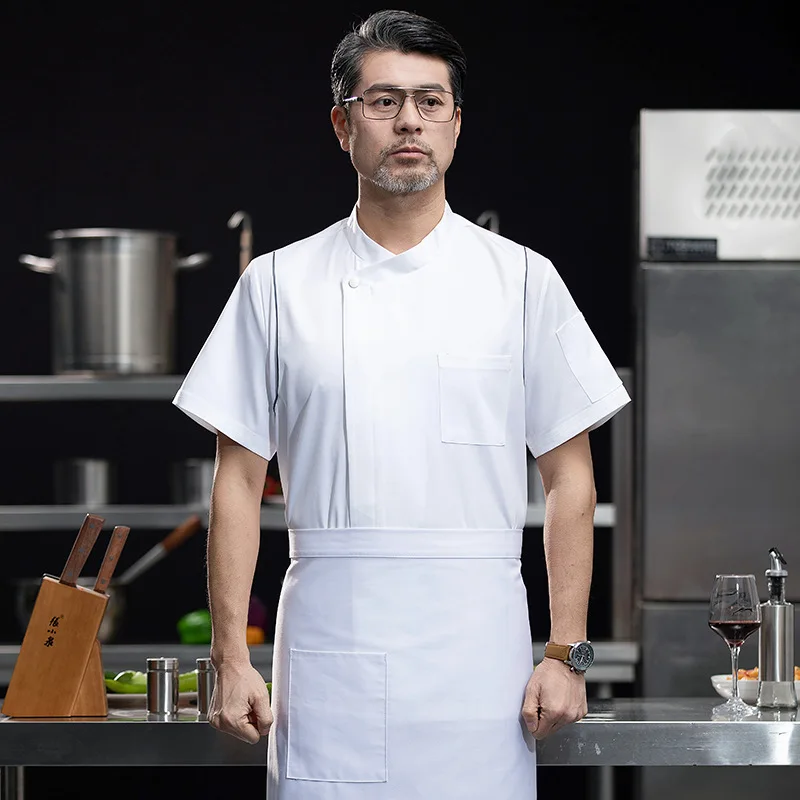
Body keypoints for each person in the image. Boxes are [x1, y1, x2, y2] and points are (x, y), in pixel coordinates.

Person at [173, 9, 630, 799]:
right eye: (382, 101)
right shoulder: (277, 285)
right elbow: (238, 483)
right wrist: (230, 656)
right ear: (342, 124)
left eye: (429, 100)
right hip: (330, 652)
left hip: (480, 665)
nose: (408, 119)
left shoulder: (523, 281)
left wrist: (566, 654)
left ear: (457, 123)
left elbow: (569, 480)